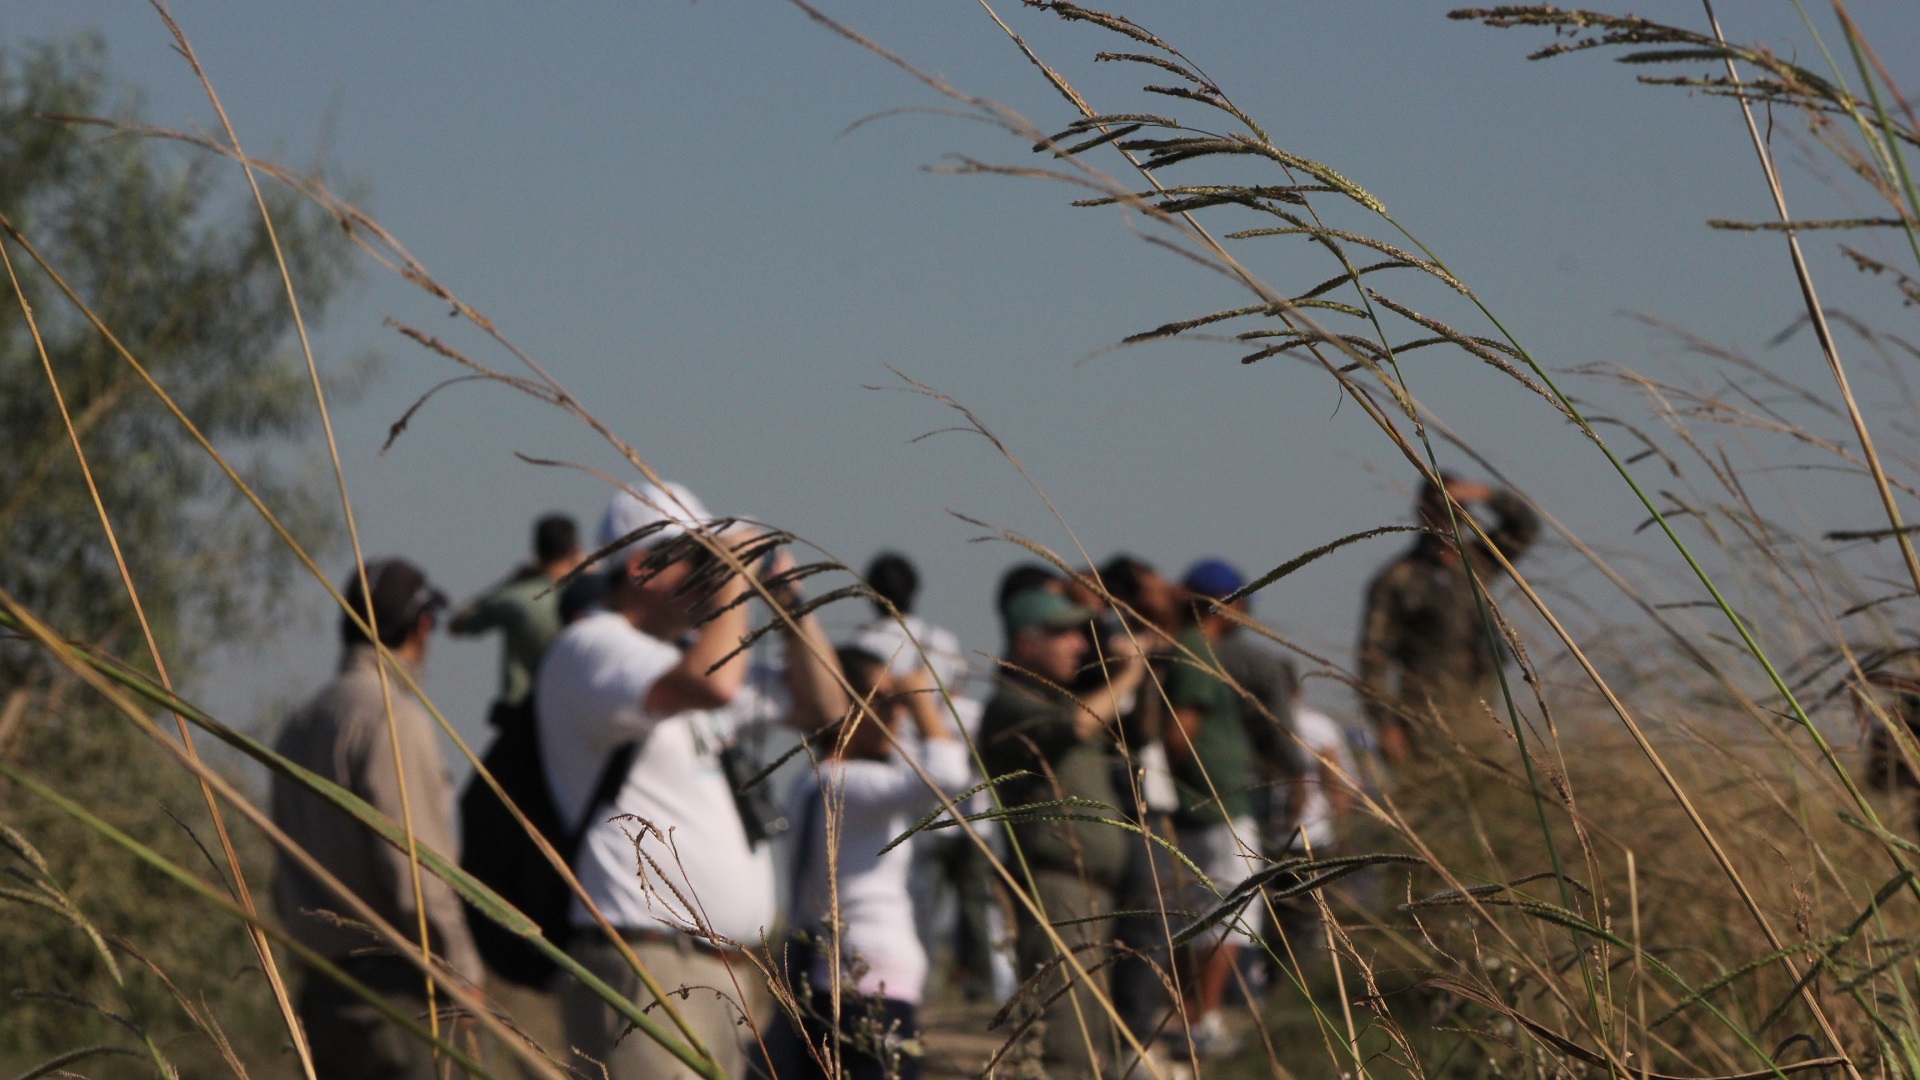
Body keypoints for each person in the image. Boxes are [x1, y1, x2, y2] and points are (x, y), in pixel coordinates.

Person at [534, 481, 847, 1080]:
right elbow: (713, 686)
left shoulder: (691, 650)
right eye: (701, 560)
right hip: (646, 962)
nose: (716, 576)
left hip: (724, 970)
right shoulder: (592, 648)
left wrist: (789, 606)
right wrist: (736, 576)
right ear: (641, 566)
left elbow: (827, 708)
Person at [270, 558, 482, 1080]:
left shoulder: (300, 723)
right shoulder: (394, 718)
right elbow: (418, 874)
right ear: (422, 627)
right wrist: (464, 973)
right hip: (398, 1002)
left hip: (323, 1000)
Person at [770, 647, 974, 1080]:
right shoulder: (850, 783)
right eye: (882, 702)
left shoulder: (810, 782)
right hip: (871, 977)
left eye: (899, 705)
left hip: (827, 971)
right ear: (843, 706)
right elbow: (950, 778)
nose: (895, 717)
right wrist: (920, 697)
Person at [978, 585, 1145, 1077]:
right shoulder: (1010, 705)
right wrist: (1132, 671)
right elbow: (1075, 725)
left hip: (1092, 893)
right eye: (1065, 634)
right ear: (1026, 643)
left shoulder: (1053, 699)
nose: (1080, 645)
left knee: (1093, 1041)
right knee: (1063, 1046)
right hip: (1057, 888)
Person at [851, 552, 1001, 1003]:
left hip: (903, 779)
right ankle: (983, 990)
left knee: (917, 897)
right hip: (958, 782)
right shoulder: (942, 640)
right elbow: (958, 698)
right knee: (973, 903)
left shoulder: (865, 644)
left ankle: (923, 987)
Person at [1357, 474, 1540, 762]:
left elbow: (1526, 527)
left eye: (1456, 509)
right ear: (1422, 511)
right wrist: (1386, 725)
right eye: (1440, 508)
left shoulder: (1477, 563)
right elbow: (1372, 659)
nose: (1448, 516)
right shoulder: (1398, 579)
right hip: (1424, 720)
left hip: (1479, 715)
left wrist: (1484, 494)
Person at [1164, 558, 1264, 1059]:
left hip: (1205, 803)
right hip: (1217, 802)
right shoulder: (1199, 649)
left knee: (1206, 912)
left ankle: (1192, 1016)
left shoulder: (1187, 647)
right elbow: (1180, 731)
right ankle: (1202, 1018)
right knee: (1232, 912)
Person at [449, 514, 582, 716]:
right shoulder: (591, 602)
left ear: (536, 550)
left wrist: (508, 583)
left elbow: (457, 624)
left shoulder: (515, 599)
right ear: (575, 550)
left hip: (520, 715)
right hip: (572, 714)